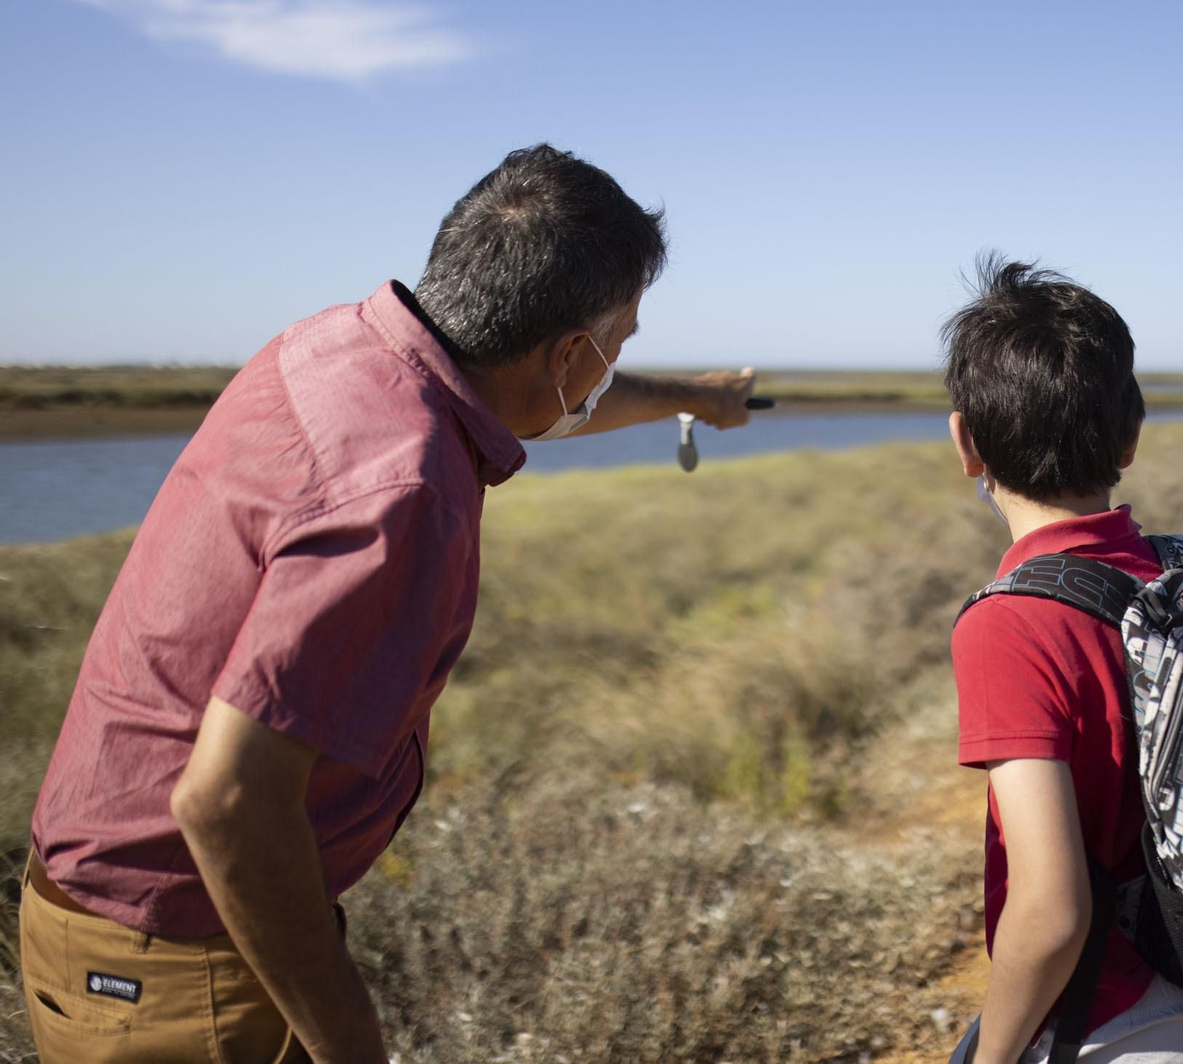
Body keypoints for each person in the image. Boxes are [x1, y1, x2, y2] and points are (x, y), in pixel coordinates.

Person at [20, 145, 758, 1064]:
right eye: (622, 340)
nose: (616, 363)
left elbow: (538, 396)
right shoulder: (404, 492)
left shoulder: (341, 346)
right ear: (571, 350)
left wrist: (694, 396)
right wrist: (350, 1044)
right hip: (177, 952)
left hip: (121, 912)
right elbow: (228, 802)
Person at [943, 258, 1183, 1064]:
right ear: (1132, 435)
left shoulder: (1009, 625)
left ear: (966, 443)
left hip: (1116, 1024)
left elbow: (1052, 909)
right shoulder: (1181, 569)